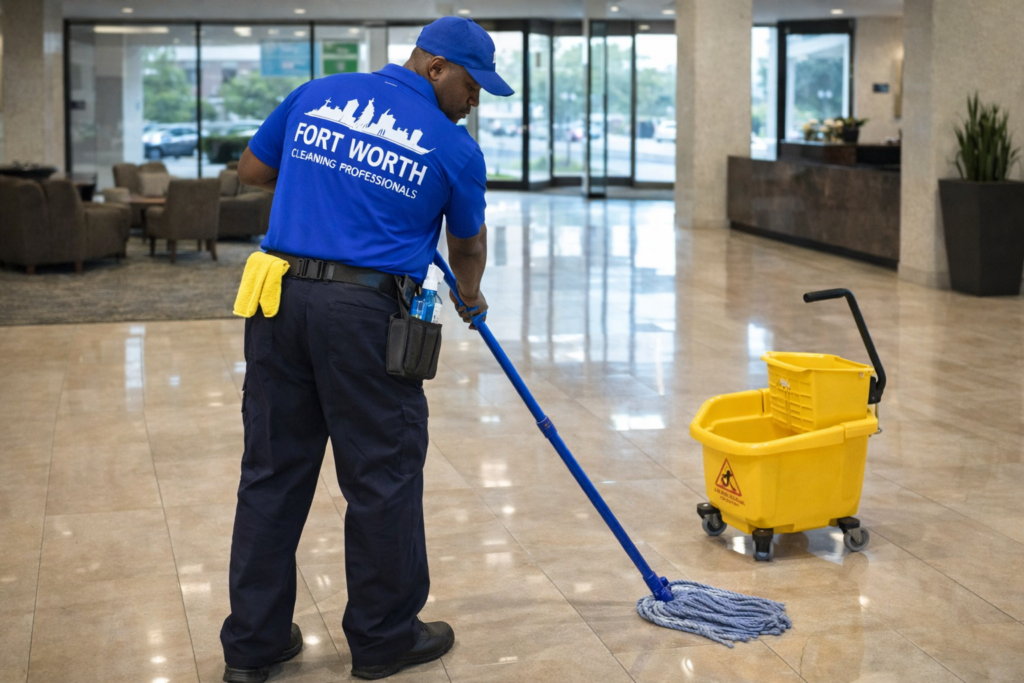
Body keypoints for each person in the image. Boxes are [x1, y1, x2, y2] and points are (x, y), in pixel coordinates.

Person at [219, 17, 513, 683]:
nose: (475, 101)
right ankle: (384, 637)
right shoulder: (455, 149)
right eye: (472, 84)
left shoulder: (317, 93)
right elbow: (466, 245)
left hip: (280, 300)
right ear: (435, 67)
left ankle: (254, 644)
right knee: (382, 474)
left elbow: (252, 170)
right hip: (363, 315)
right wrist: (470, 292)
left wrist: (328, 176)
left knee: (271, 473)